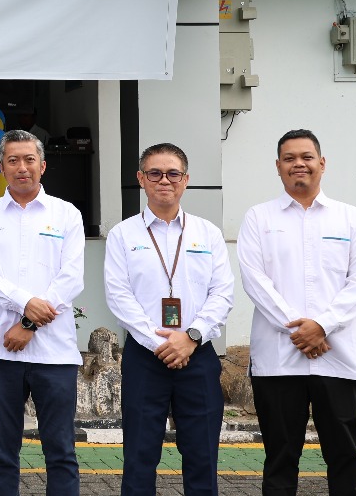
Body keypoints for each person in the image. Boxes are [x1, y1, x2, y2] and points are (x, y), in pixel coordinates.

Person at [238, 129, 356, 496]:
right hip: (279, 361)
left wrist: (323, 326)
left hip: (339, 358)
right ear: (278, 166)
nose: (298, 164)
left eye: (306, 157)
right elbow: (255, 281)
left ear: (322, 163)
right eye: (289, 158)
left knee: (345, 457)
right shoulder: (258, 218)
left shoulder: (351, 218)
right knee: (280, 459)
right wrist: (300, 331)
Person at [104, 143, 234, 496]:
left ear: (185, 180)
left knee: (202, 457)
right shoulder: (123, 235)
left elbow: (223, 293)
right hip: (145, 358)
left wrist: (190, 337)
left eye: (173, 173)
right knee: (140, 456)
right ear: (141, 179)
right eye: (155, 173)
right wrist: (160, 342)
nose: (165, 180)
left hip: (198, 356)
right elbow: (119, 296)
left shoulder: (207, 233)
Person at [0, 130, 83, 496]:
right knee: (2, 451)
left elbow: (72, 278)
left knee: (60, 451)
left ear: (42, 165)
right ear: (1, 168)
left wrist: (29, 322)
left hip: (56, 353)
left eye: (29, 159)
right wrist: (24, 302)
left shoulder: (66, 214)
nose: (22, 167)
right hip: (2, 352)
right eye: (12, 160)